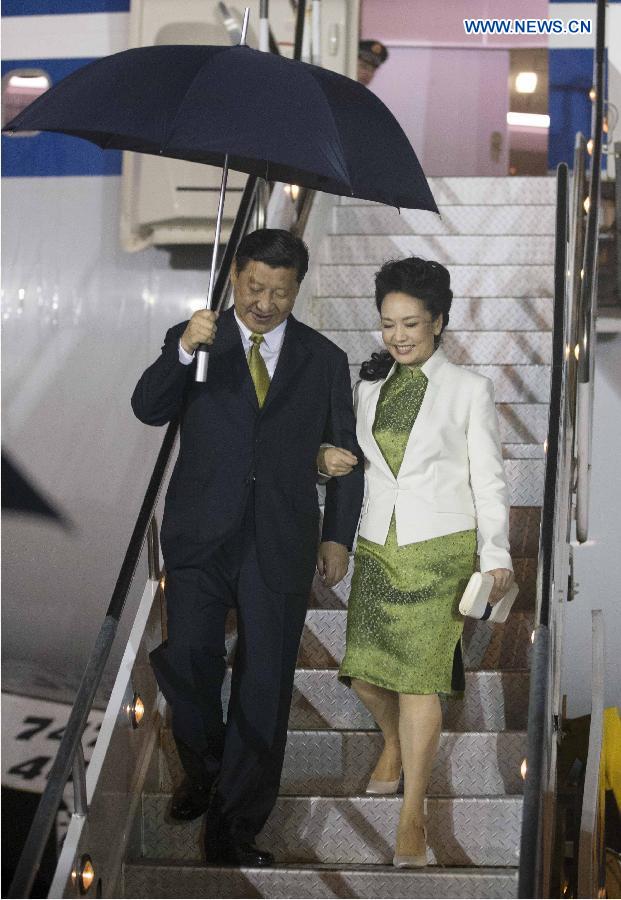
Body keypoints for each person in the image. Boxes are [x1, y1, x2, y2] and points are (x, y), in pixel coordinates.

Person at [131, 228, 363, 867]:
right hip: (199, 534)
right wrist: (181, 349)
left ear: (297, 291)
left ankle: (234, 826)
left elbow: (347, 454)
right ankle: (204, 768)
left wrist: (337, 535)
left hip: (280, 541)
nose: (265, 303)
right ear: (234, 276)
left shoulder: (322, 359)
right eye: (255, 287)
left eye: (280, 294)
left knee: (264, 683)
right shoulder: (199, 337)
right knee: (191, 659)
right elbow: (148, 408)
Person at [318, 257, 514, 867]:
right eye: (388, 325)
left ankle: (413, 818)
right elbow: (354, 462)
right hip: (379, 546)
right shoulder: (369, 389)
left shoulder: (470, 390)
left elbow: (491, 480)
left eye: (411, 324)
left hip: (440, 552)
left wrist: (498, 552)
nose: (398, 336)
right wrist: (325, 459)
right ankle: (392, 744)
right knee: (367, 674)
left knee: (421, 679)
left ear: (439, 322)